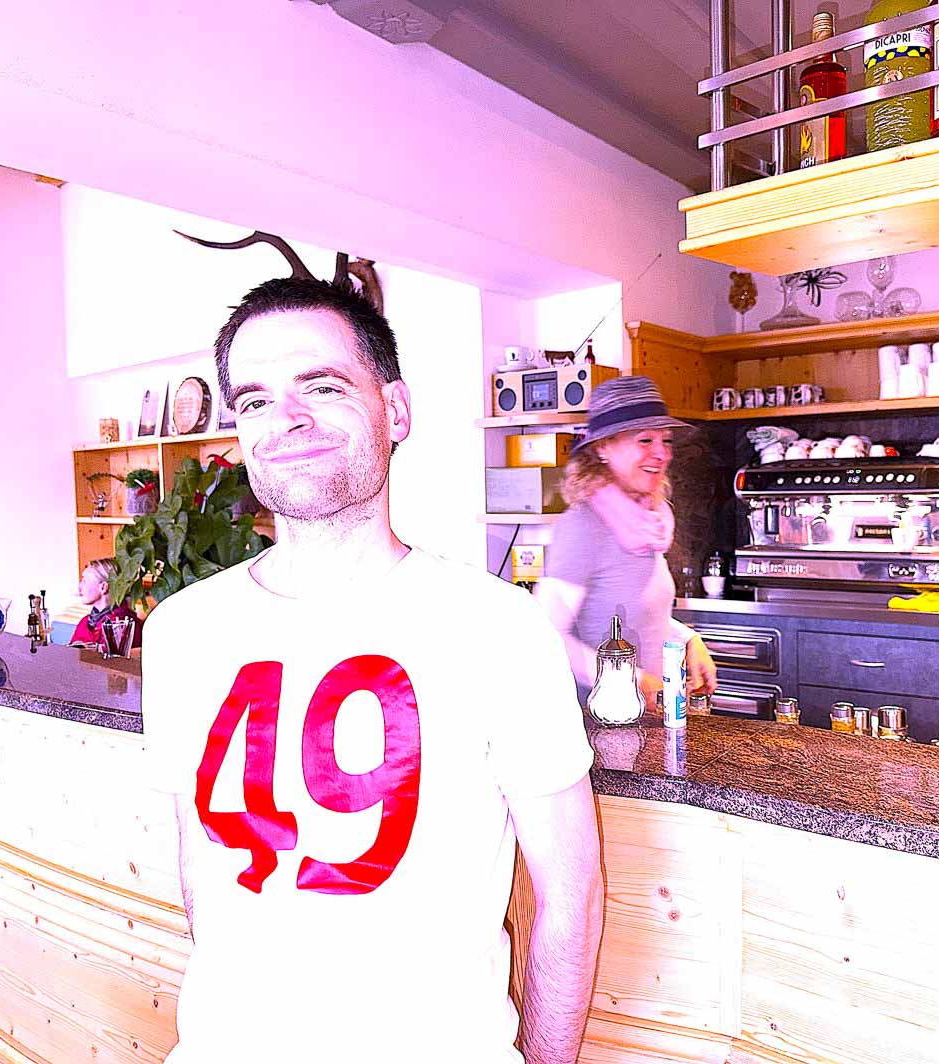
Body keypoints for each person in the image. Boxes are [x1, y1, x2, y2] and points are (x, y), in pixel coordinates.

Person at [142, 277, 603, 1064]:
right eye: (254, 400)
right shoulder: (181, 632)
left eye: (322, 387)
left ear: (397, 410)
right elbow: (202, 859)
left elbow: (572, 898)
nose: (286, 419)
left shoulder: (497, 628)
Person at [535, 376, 716, 708]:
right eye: (645, 440)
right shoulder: (583, 525)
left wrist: (689, 639)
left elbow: (632, 615)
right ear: (603, 448)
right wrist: (627, 677)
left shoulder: (646, 519)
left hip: (646, 715)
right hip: (599, 719)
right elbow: (545, 635)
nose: (661, 453)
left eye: (666, 441)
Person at [70, 557, 141, 648]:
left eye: (85, 581)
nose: (80, 588)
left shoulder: (122, 625)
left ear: (103, 587)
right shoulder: (84, 623)